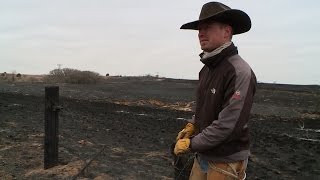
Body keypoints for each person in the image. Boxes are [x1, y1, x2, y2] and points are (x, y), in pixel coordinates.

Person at [174, 2, 257, 180]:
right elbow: (205, 108)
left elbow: (229, 125)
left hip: (226, 161)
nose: (200, 33)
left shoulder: (239, 71)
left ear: (227, 32)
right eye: (199, 29)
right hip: (203, 155)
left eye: (207, 28)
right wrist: (193, 125)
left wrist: (191, 143)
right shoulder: (206, 70)